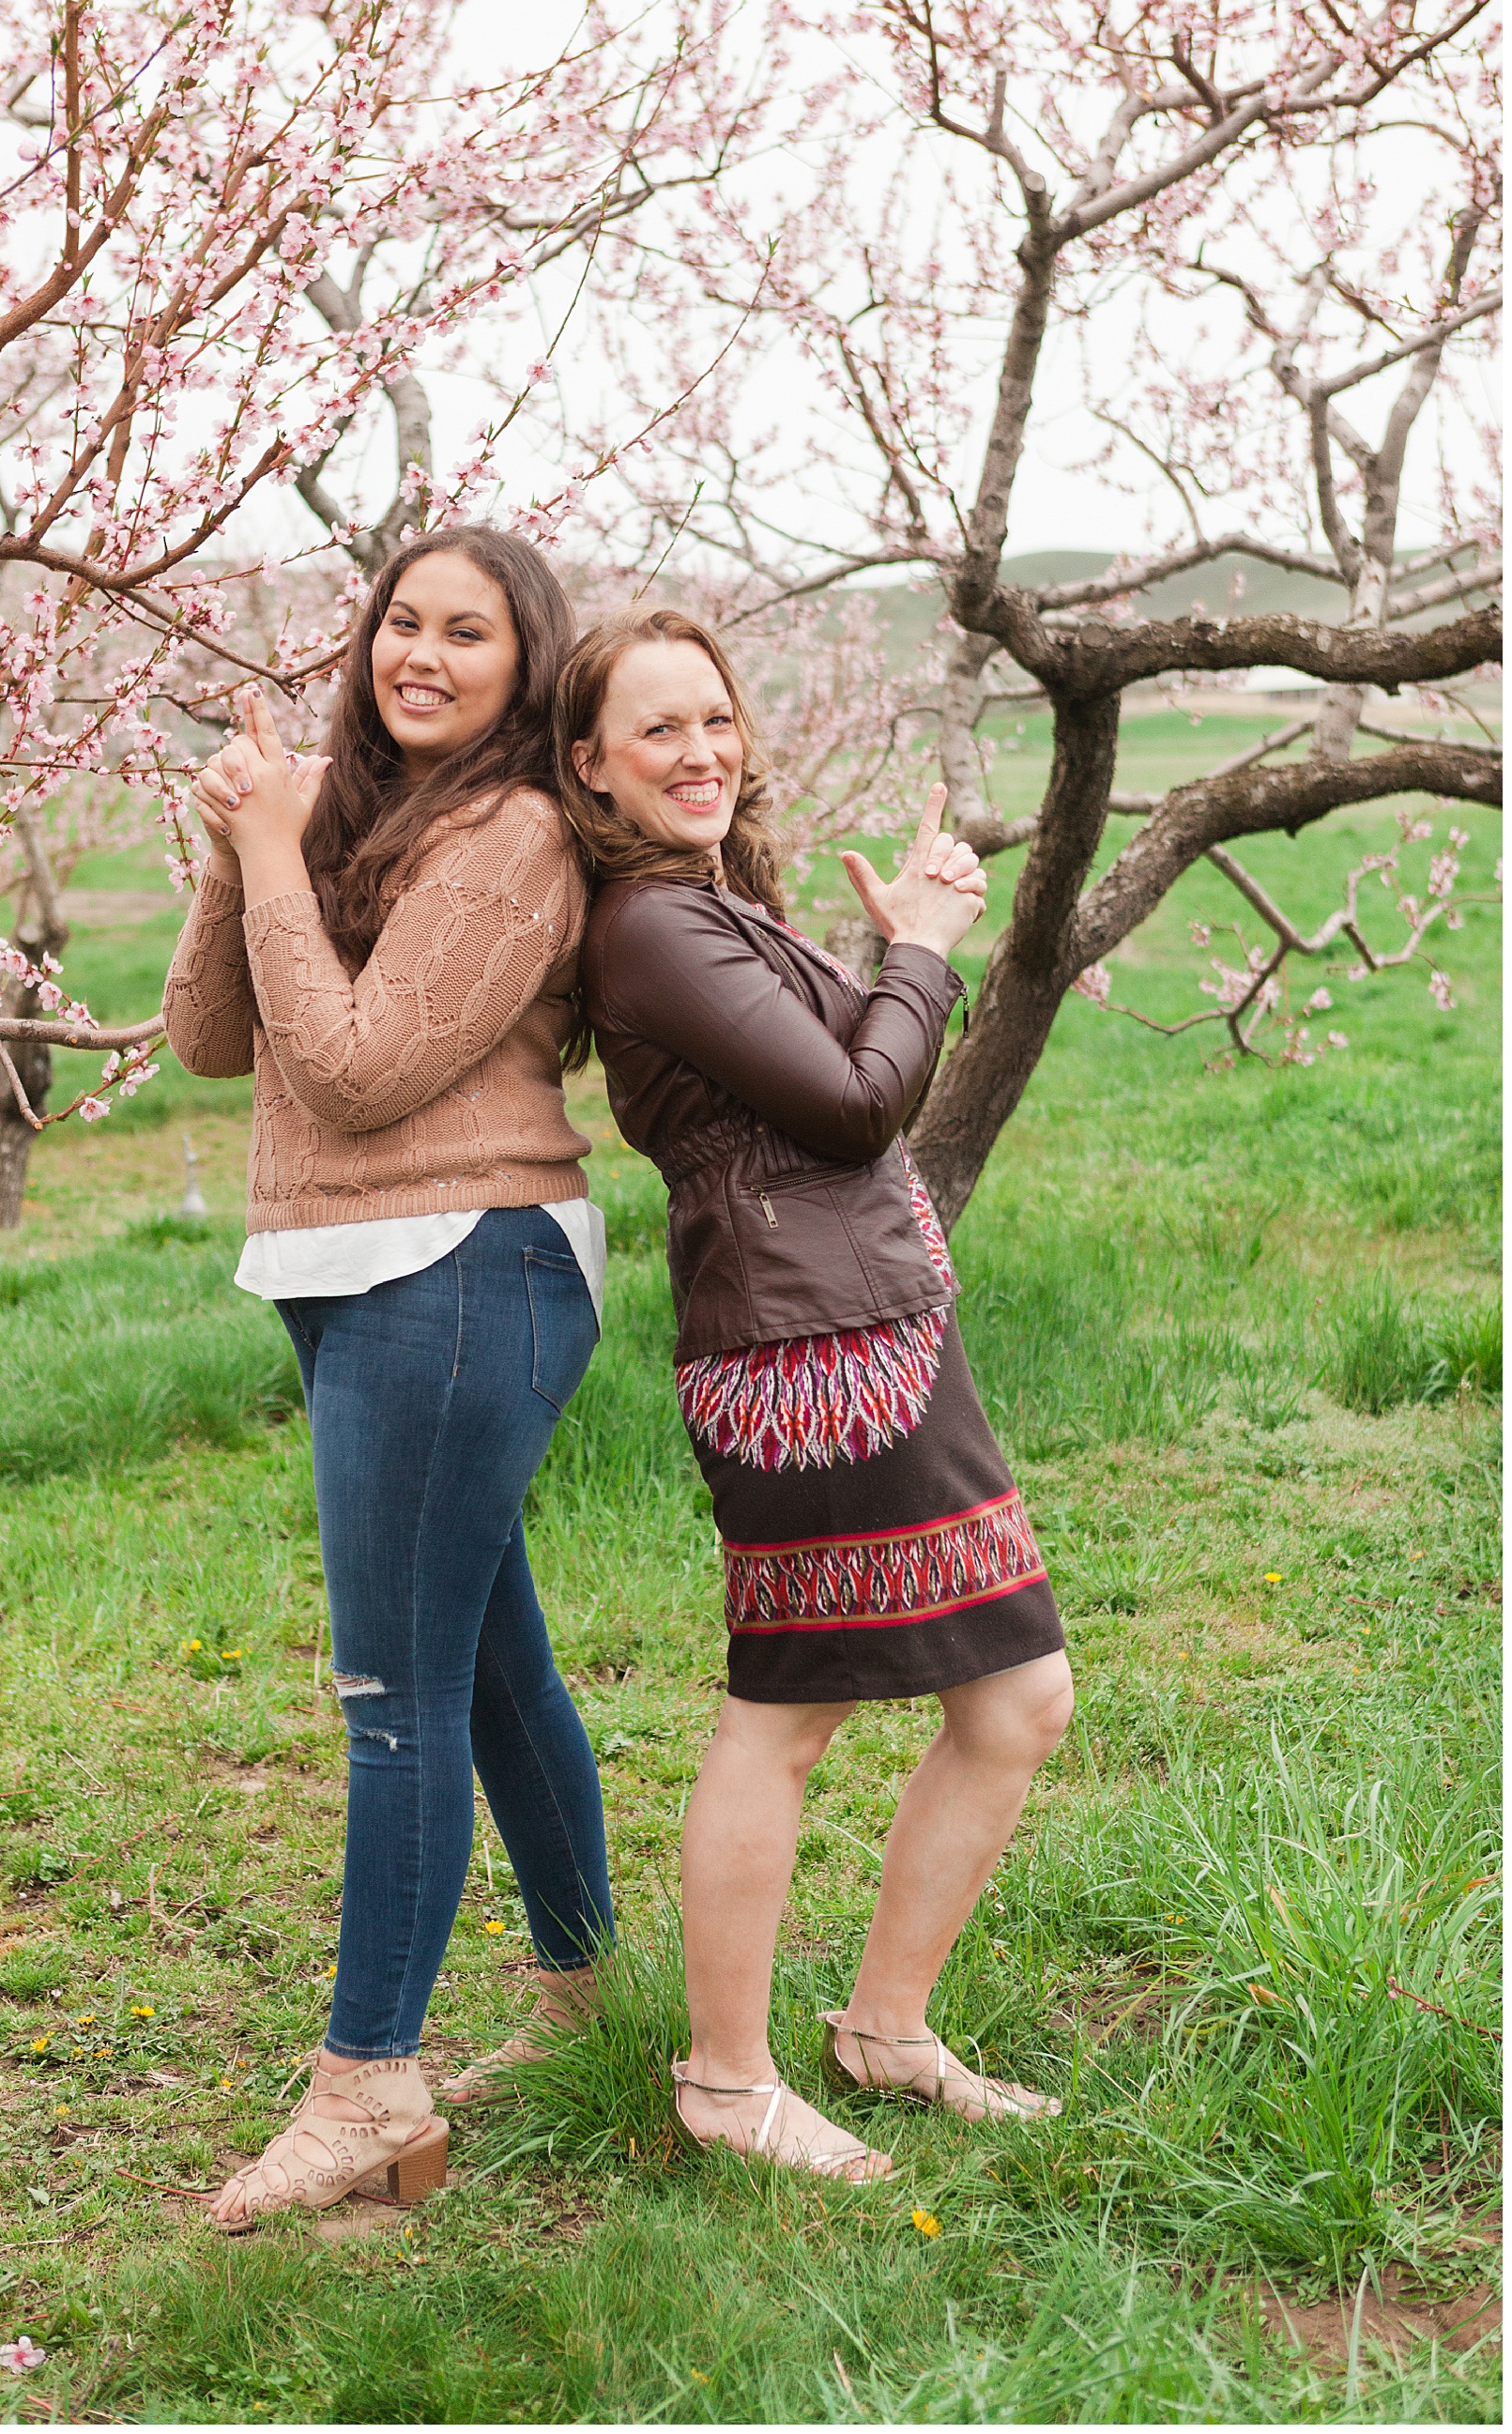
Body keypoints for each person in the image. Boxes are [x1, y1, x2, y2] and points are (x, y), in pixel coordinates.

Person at [556, 607, 1074, 2185]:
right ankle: (725, 2079)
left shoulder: (714, 902)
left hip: (875, 1328)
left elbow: (841, 1073)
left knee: (1015, 1700)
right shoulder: (648, 925)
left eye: (715, 718)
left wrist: (879, 958)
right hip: (810, 1359)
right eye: (659, 730)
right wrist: (917, 943)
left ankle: (886, 2033)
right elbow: (859, 1106)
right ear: (590, 764)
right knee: (788, 1714)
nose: (701, 751)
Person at [163, 528, 614, 2228]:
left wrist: (279, 851)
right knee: (487, 1671)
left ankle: (369, 2087)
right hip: (360, 1271)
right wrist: (246, 847)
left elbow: (351, 1073)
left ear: (524, 666)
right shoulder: (358, 816)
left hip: (457, 1264)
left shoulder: (508, 839)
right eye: (400, 623)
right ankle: (589, 1998)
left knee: (391, 1700)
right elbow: (215, 1036)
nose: (421, 653)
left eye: (468, 635)